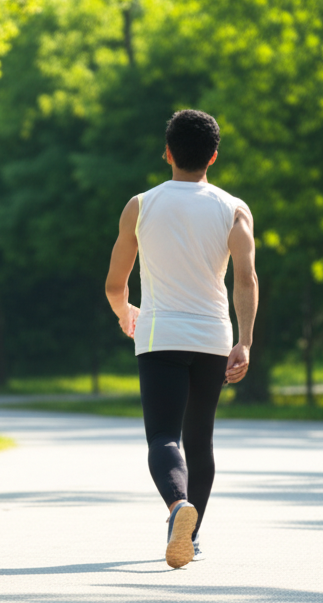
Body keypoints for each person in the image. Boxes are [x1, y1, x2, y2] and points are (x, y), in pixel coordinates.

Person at [104, 109, 258, 569]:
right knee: (200, 440)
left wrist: (124, 312)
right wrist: (245, 341)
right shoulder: (234, 209)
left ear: (167, 152)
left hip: (160, 334)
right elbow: (246, 280)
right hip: (213, 336)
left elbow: (115, 284)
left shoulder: (141, 205)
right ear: (213, 156)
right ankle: (190, 536)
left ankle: (177, 508)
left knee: (164, 437)